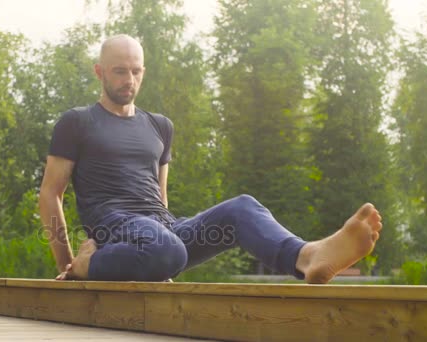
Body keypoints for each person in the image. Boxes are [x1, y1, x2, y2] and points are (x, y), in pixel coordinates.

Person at [38, 34, 383, 284]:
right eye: (119, 71)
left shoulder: (160, 126)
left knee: (242, 209)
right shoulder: (77, 122)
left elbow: (160, 199)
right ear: (99, 72)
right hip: (113, 225)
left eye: (136, 71)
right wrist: (70, 264)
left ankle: (307, 258)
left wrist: (157, 261)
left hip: (161, 230)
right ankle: (90, 265)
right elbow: (51, 194)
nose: (129, 80)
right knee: (165, 247)